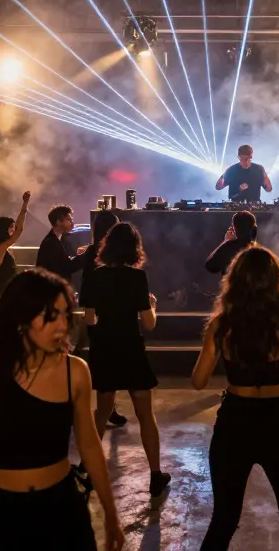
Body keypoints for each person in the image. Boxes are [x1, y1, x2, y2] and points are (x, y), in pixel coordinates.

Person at [0, 269, 123, 551]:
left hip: (61, 510)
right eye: (51, 316)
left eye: (66, 315)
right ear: (21, 316)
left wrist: (112, 516)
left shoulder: (74, 372)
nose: (61, 326)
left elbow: (89, 444)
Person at [192, 246, 279, 550]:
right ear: (274, 281)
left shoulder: (221, 324)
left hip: (234, 421)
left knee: (224, 519)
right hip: (276, 420)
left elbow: (198, 381)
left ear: (235, 281)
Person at [80, 222, 171, 496]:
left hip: (105, 348)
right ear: (134, 248)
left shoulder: (94, 277)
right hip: (131, 348)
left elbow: (89, 319)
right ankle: (155, 474)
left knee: (102, 411)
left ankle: (87, 467)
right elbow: (149, 323)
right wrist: (153, 306)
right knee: (145, 415)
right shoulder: (137, 278)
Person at [78, 209, 127, 428]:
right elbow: (89, 283)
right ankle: (105, 410)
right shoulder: (98, 253)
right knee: (106, 367)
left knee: (107, 368)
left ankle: (109, 409)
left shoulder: (95, 251)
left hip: (98, 311)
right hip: (100, 312)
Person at [0, 190, 32, 297]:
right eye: (10, 227)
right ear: (3, 229)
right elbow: (19, 230)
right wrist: (25, 204)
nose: (13, 230)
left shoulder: (2, 247)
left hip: (4, 290)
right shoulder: (1, 247)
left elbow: (9, 269)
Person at [36, 204, 89, 282]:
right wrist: (87, 254)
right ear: (58, 222)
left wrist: (80, 252)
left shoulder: (62, 238)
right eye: (68, 220)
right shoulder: (50, 244)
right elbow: (67, 266)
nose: (72, 223)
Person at [205, 211, 258, 275]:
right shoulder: (260, 251)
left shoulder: (228, 247)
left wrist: (226, 241)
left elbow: (210, 266)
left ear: (235, 228)